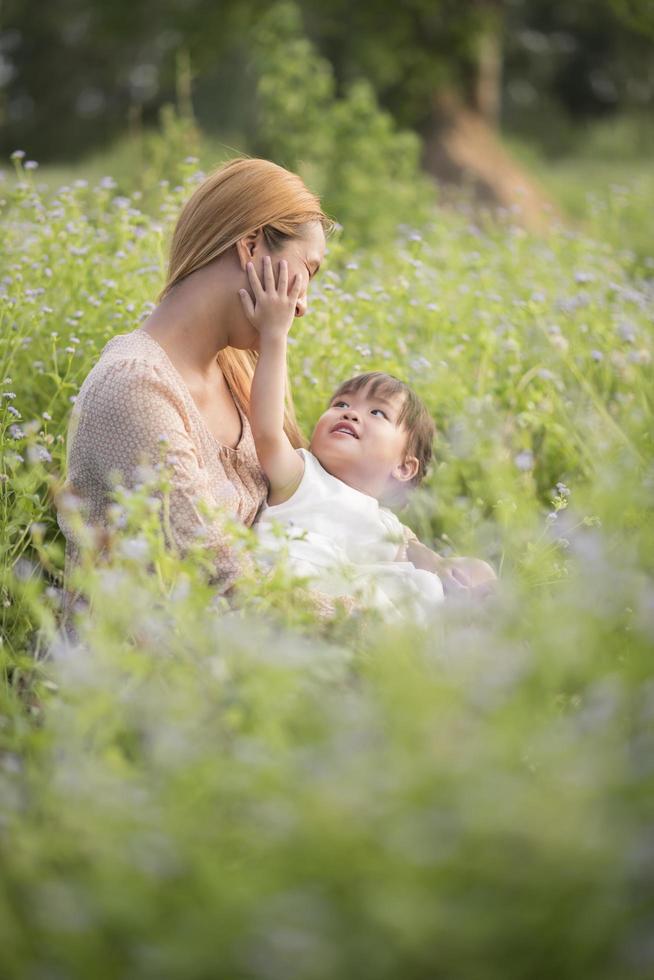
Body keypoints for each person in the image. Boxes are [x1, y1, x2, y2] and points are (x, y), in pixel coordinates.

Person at [56, 157, 330, 626]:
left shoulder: (243, 374)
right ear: (250, 246)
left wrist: (429, 563)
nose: (303, 304)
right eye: (307, 270)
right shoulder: (135, 386)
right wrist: (379, 623)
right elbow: (219, 579)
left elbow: (322, 497)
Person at [242, 256, 497, 621]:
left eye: (377, 412)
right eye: (341, 403)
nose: (350, 412)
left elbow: (422, 555)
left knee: (436, 582)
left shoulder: (389, 528)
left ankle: (465, 622)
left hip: (349, 610)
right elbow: (266, 429)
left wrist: (453, 571)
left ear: (404, 467)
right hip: (289, 593)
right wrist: (274, 337)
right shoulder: (300, 475)